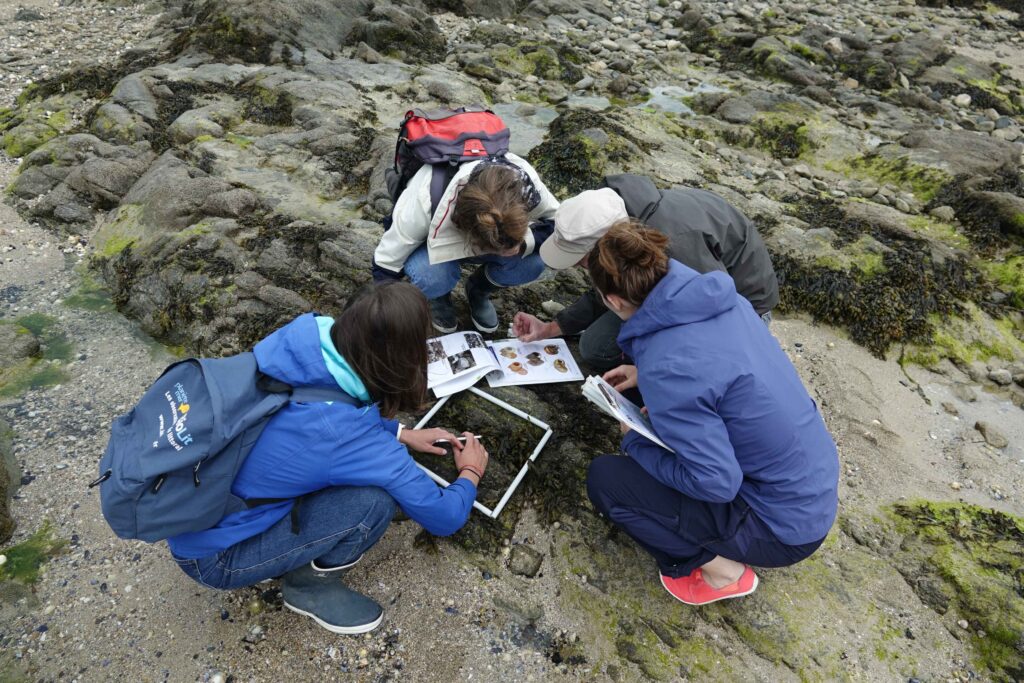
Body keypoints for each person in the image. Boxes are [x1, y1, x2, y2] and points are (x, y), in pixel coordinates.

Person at [166, 282, 489, 634]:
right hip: (216, 559)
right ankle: (307, 589)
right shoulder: (354, 442)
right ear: (399, 361)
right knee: (374, 503)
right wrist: (470, 471)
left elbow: (324, 407)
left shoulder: (303, 337)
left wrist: (402, 433)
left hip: (190, 508)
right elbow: (444, 517)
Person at [583, 223, 838, 605]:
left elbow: (717, 484)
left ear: (615, 301)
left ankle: (722, 572)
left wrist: (635, 441)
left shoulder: (670, 367)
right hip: (811, 485)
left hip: (782, 528)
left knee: (607, 480)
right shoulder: (723, 300)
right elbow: (722, 373)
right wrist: (643, 374)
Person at [513, 174, 779, 372]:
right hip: (687, 296)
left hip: (741, 311)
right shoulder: (620, 219)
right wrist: (552, 328)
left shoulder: (675, 248)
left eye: (580, 260)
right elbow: (608, 286)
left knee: (657, 364)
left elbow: (714, 314)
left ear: (604, 243)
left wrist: (650, 375)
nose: (575, 266)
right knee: (595, 348)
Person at [373, 157, 559, 334]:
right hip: (433, 242)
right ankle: (439, 295)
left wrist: (524, 241)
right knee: (431, 276)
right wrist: (384, 318)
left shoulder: (526, 185)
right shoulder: (426, 198)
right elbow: (386, 263)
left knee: (532, 263)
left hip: (481, 233)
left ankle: (478, 290)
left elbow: (557, 221)